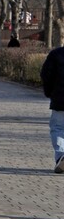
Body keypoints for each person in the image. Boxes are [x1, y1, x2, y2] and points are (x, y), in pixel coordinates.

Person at [41, 44, 64, 173]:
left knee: (58, 128)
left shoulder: (56, 55)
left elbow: (46, 74)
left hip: (60, 99)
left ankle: (61, 154)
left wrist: (49, 92)